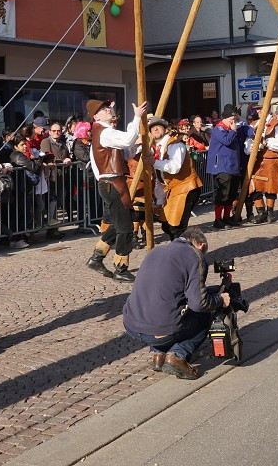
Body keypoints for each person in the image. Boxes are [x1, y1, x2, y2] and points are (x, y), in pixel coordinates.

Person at [122, 226, 228, 380]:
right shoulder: (194, 255)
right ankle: (177, 355)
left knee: (168, 311)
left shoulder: (156, 251)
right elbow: (199, 303)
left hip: (131, 324)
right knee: (203, 315)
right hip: (159, 330)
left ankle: (158, 354)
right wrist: (220, 300)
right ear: (201, 245)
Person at [84, 98, 148, 282]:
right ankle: (121, 268)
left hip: (114, 183)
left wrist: (137, 146)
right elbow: (127, 139)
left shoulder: (106, 132)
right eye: (103, 109)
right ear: (96, 116)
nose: (108, 110)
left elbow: (124, 153)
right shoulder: (103, 132)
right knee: (126, 227)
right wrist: (136, 119)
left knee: (120, 224)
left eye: (107, 107)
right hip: (112, 184)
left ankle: (97, 257)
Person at [147, 116, 202, 240]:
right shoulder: (158, 149)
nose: (155, 129)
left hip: (186, 188)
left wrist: (153, 162)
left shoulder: (174, 144)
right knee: (166, 226)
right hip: (173, 190)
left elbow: (174, 168)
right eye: (152, 127)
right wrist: (159, 202)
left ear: (165, 129)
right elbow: (161, 180)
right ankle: (183, 252)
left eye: (158, 126)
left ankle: (189, 255)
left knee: (176, 228)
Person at [249, 104, 278, 224]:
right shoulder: (253, 124)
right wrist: (250, 148)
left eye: (261, 108)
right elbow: (248, 141)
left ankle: (270, 213)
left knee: (270, 187)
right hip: (256, 159)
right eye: (257, 109)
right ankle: (261, 213)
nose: (259, 111)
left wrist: (267, 143)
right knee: (254, 186)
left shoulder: (277, 124)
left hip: (271, 159)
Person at [207, 104, 244, 230]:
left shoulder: (231, 129)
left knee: (232, 193)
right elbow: (227, 141)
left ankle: (227, 217)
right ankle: (218, 219)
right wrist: (233, 130)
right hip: (221, 166)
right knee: (223, 193)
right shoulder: (218, 129)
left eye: (234, 120)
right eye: (231, 120)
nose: (233, 123)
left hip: (233, 166)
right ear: (225, 119)